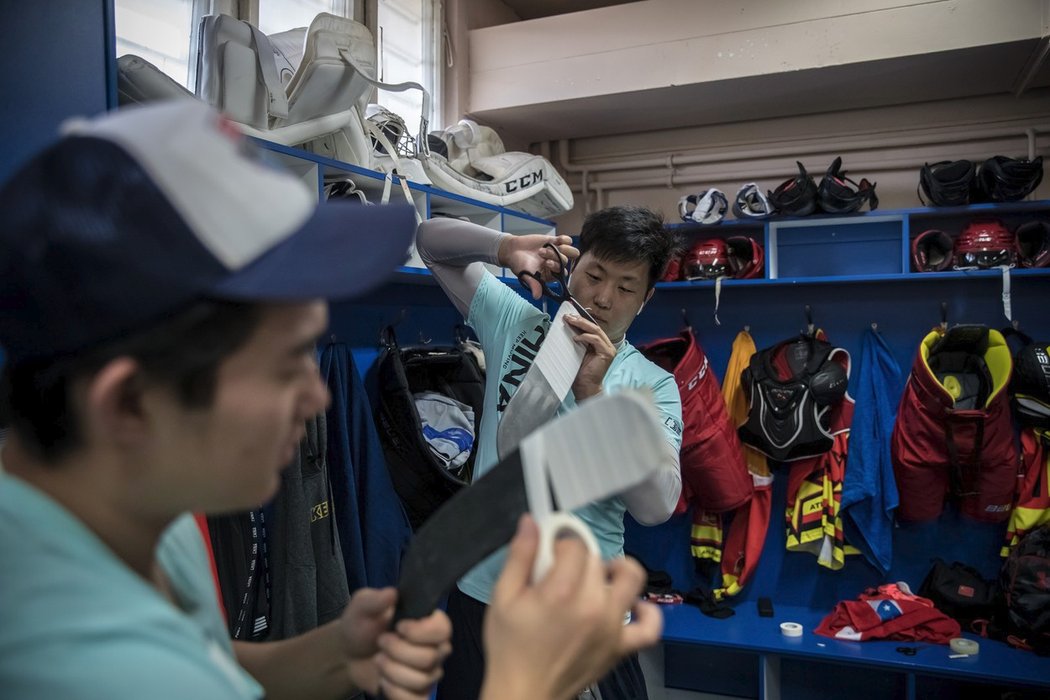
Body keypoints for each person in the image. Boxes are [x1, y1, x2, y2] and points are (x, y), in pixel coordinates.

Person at [0, 101, 662, 700]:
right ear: (131, 406)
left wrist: (333, 654)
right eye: (288, 363)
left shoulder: (134, 511)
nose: (320, 393)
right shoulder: (73, 661)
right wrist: (524, 686)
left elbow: (204, 659)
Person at [418, 207, 685, 699]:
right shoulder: (516, 323)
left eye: (625, 288)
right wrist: (508, 248)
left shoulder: (652, 384)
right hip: (482, 598)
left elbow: (656, 507)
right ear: (572, 266)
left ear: (645, 300)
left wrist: (594, 397)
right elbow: (430, 240)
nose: (603, 298)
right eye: (594, 274)